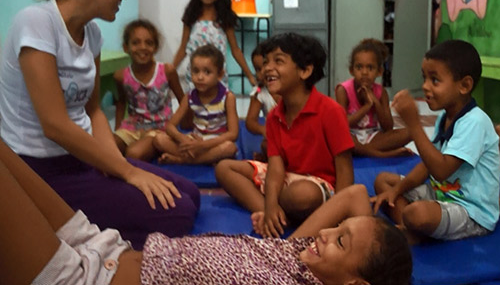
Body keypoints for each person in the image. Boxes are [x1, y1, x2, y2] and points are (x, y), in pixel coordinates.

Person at [0, 139, 412, 285]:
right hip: (107, 246)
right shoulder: (304, 255)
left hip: (83, 279)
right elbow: (354, 193)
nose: (325, 234)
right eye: (336, 229)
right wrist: (351, 234)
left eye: (340, 240)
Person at [0, 0, 200, 250]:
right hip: (39, 169)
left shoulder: (92, 34)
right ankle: (69, 243)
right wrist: (129, 172)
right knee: (178, 213)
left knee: (190, 194)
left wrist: (116, 166)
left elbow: (93, 110)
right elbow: (54, 125)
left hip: (81, 159)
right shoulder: (36, 23)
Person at [216, 33, 355, 238]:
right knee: (224, 168)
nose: (267, 69)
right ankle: (271, 215)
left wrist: (339, 213)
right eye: (265, 63)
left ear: (305, 71)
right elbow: (276, 167)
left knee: (302, 195)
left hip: (318, 185)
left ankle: (278, 213)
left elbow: (344, 171)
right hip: (285, 178)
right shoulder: (274, 116)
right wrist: (270, 204)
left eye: (278, 61)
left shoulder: (331, 111)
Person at [372, 40, 500, 243]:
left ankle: (414, 229)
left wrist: (414, 124)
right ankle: (412, 230)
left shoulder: (475, 121)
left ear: (464, 85)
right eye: (424, 78)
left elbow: (441, 170)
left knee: (418, 214)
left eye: (435, 80)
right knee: (383, 182)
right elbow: (427, 166)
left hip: (471, 210)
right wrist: (396, 191)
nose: (425, 86)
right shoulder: (446, 116)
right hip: (441, 194)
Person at [172, 0, 257, 90]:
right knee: (194, 107)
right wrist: (169, 72)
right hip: (195, 76)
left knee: (217, 107)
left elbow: (235, 50)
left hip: (217, 76)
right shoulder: (191, 16)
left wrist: (250, 76)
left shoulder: (224, 17)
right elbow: (183, 49)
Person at [153, 44, 239, 164]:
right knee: (159, 139)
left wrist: (203, 145)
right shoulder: (189, 97)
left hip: (214, 143)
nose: (200, 77)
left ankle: (182, 160)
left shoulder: (228, 97)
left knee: (230, 147)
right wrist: (185, 140)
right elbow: (170, 126)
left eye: (207, 72)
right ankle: (202, 159)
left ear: (219, 75)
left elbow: (233, 134)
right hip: (193, 141)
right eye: (195, 71)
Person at [113, 19, 184, 161]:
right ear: (126, 47)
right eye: (136, 43)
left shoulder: (166, 71)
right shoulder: (121, 76)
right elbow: (121, 102)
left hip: (159, 129)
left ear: (156, 47)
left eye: (149, 43)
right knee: (108, 149)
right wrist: (117, 130)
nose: (142, 47)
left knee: (133, 154)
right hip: (131, 127)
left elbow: (184, 101)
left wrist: (178, 129)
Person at [335, 38, 411, 158]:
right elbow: (343, 124)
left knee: (409, 133)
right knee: (338, 136)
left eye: (370, 68)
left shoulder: (381, 92)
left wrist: (375, 101)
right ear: (351, 70)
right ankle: (378, 154)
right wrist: (367, 106)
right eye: (359, 67)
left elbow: (388, 127)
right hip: (351, 135)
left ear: (379, 71)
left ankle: (363, 150)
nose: (364, 72)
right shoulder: (343, 90)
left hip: (373, 136)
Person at [245, 44, 281, 161]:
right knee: (265, 146)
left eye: (266, 66)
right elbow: (250, 122)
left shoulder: (289, 89)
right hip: (274, 138)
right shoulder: (259, 93)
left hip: (294, 137)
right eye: (258, 69)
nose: (263, 72)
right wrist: (263, 129)